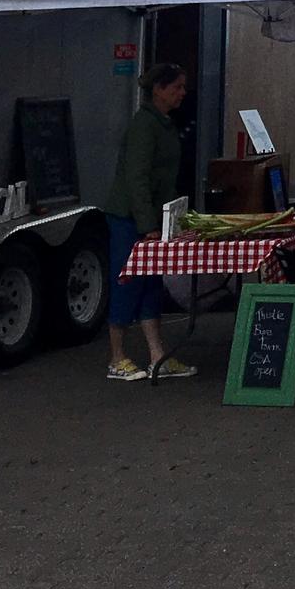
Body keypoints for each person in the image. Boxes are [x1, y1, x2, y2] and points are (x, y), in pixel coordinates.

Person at [101, 63, 196, 381]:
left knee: (151, 284)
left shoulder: (164, 124)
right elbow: (136, 178)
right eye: (177, 87)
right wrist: (147, 225)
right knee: (127, 282)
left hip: (152, 216)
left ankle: (158, 355)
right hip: (130, 218)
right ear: (159, 89)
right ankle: (117, 358)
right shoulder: (144, 125)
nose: (182, 93)